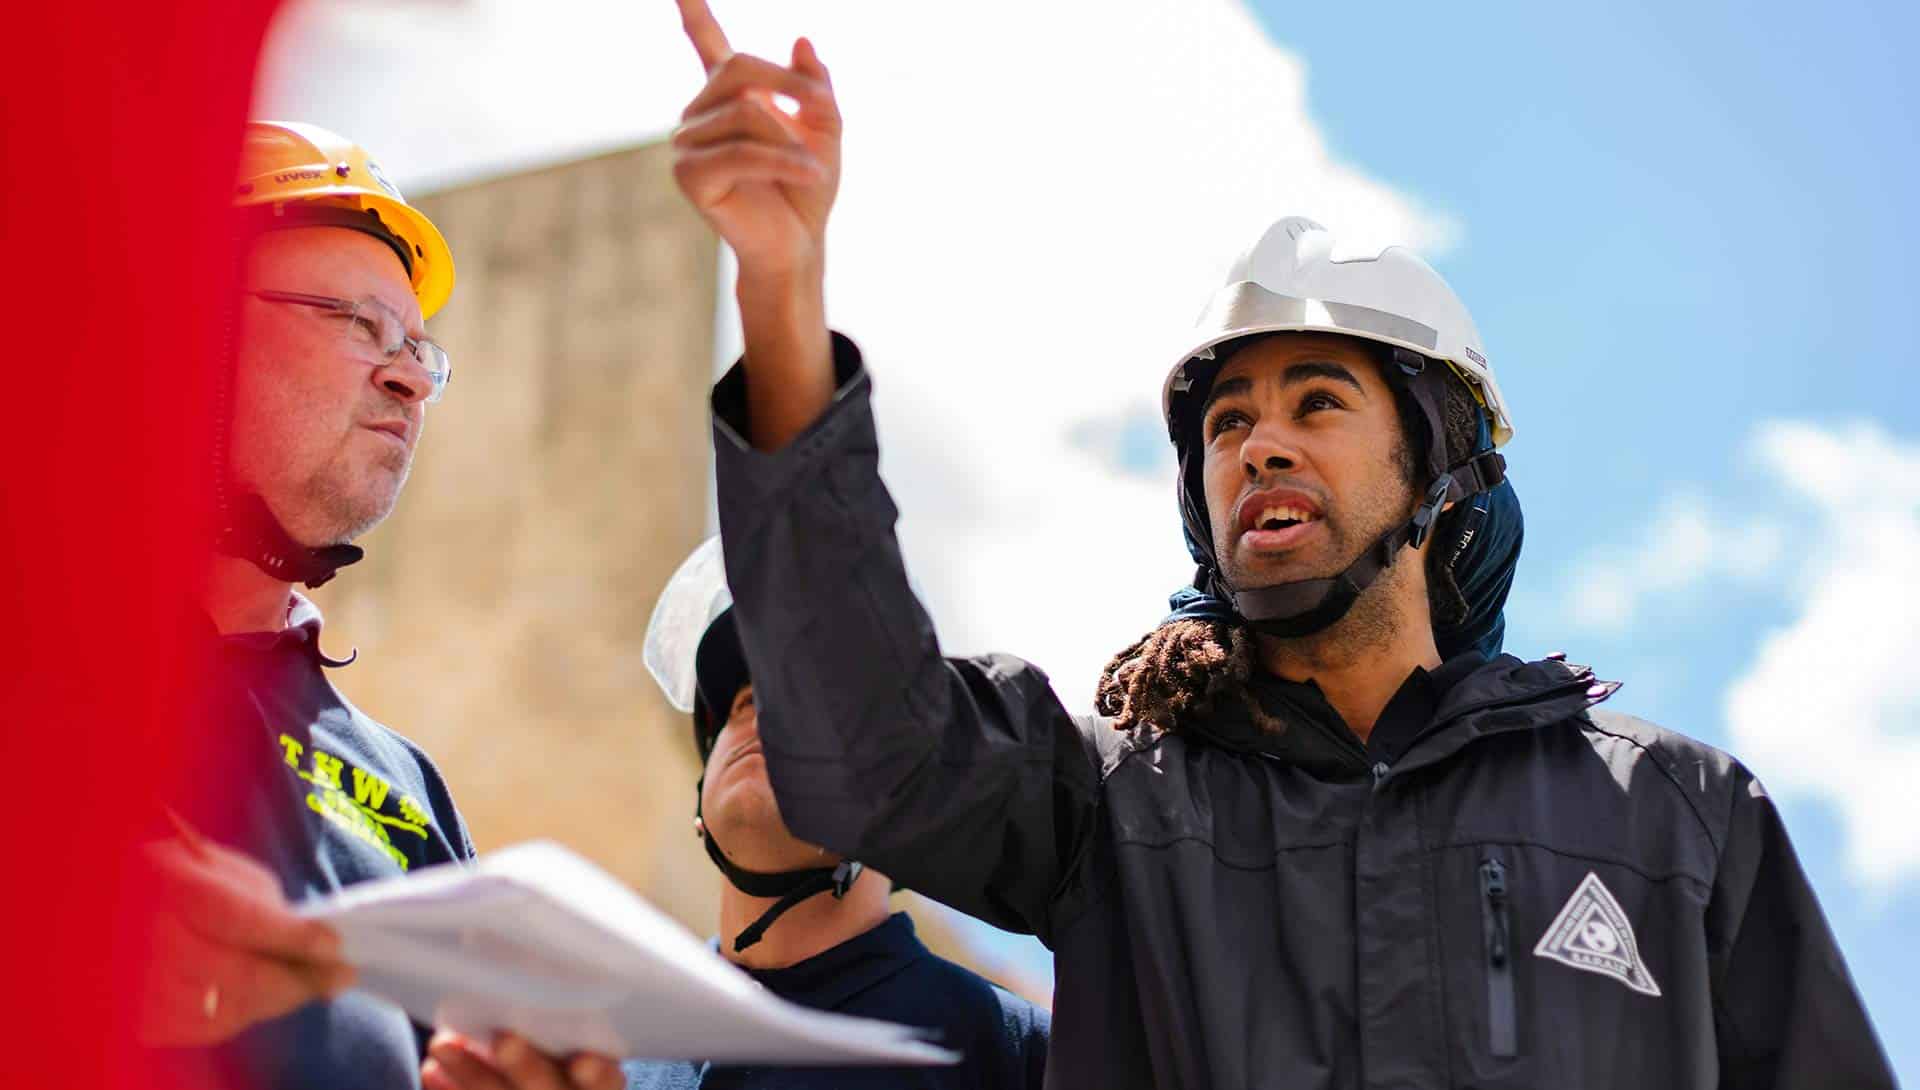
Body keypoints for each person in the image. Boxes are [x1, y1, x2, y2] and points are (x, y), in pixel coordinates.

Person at [665, 2, 1898, 1087]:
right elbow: (851, 734)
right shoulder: (1104, 798)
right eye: (1229, 423)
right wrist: (782, 283)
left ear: (1443, 469)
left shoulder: (1680, 816)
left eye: (1318, 402)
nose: (1260, 446)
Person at [138, 120, 621, 1090]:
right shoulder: (40, 671)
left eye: (417, 347)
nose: (407, 376)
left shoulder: (404, 784)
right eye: (358, 324)